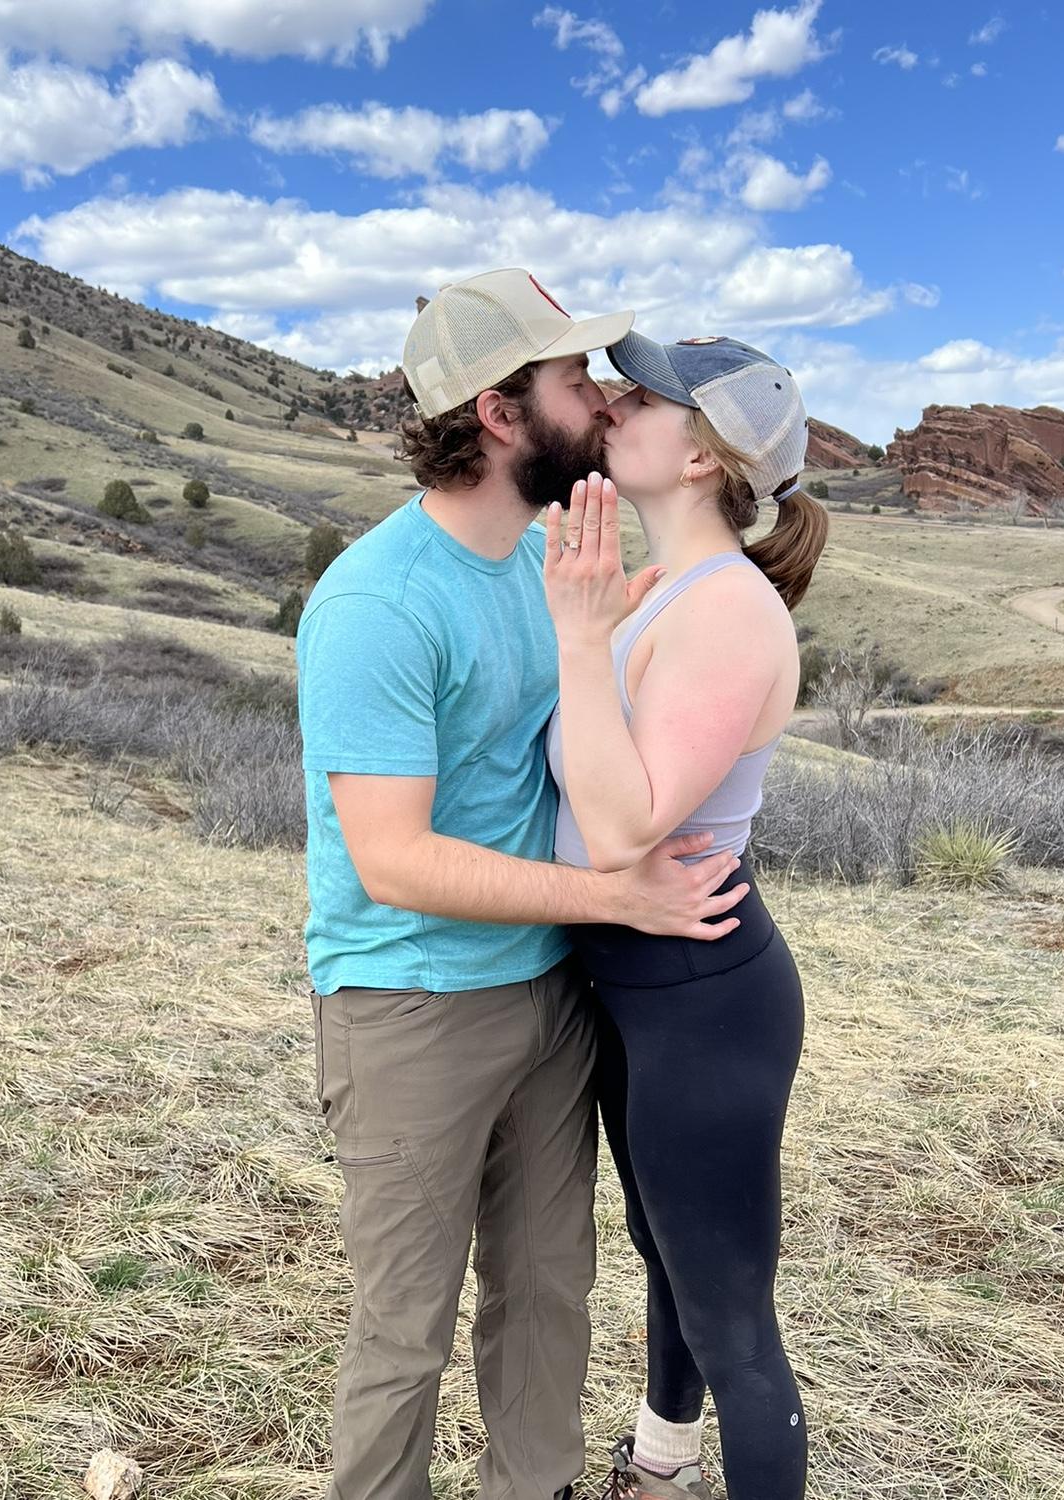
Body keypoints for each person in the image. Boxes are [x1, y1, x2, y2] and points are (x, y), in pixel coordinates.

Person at [296, 269, 750, 1500]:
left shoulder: (540, 561)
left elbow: (576, 716)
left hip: (544, 998)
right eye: (571, 378)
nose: (601, 397)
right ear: (499, 415)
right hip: (410, 1007)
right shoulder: (380, 604)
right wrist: (620, 899)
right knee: (406, 1330)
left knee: (550, 1297)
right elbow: (390, 860)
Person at [542, 332, 829, 1500]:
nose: (612, 402)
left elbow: (624, 834)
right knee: (670, 1257)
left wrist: (578, 636)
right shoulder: (662, 591)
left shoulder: (727, 613)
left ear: (705, 454)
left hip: (702, 1008)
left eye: (643, 394)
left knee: (733, 1326)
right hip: (636, 991)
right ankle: (657, 1469)